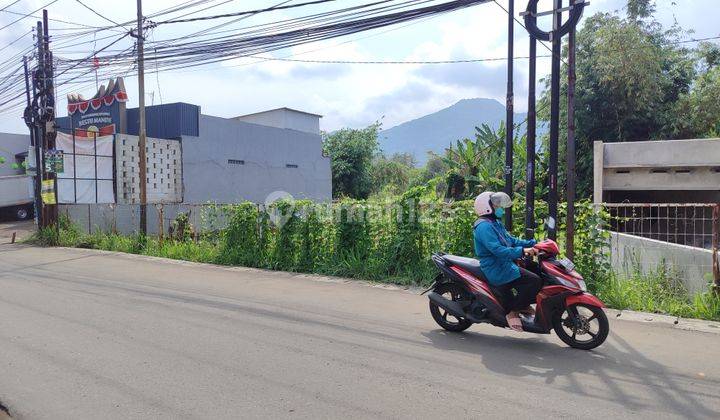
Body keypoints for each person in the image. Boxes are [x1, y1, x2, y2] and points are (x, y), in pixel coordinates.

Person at [472, 191, 541, 332]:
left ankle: (523, 303)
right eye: (496, 205)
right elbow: (498, 250)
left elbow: (511, 241)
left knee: (536, 269)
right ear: (486, 207)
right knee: (534, 281)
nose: (500, 208)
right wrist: (522, 251)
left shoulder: (494, 222)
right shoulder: (484, 227)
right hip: (496, 268)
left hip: (505, 264)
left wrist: (533, 243)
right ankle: (513, 310)